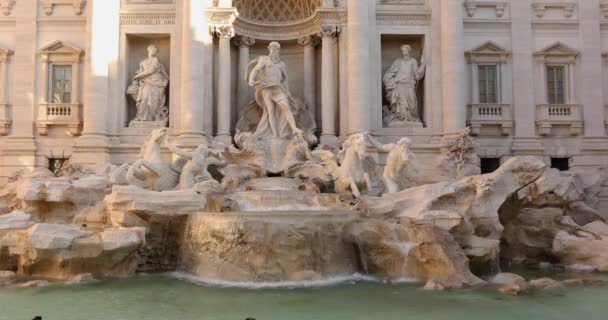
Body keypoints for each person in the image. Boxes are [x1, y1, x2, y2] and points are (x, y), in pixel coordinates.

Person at [247, 42, 302, 139]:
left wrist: (285, 87)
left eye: (275, 49)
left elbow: (285, 77)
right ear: (269, 50)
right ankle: (275, 133)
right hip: (266, 88)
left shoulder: (281, 64)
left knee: (286, 106)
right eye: (272, 49)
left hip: (277, 88)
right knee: (270, 111)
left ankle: (294, 129)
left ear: (278, 51)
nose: (273, 51)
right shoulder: (264, 60)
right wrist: (251, 79)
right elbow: (255, 70)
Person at [383, 45, 425, 123]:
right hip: (399, 84)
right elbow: (391, 71)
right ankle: (401, 118)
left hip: (409, 84)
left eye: (405, 50)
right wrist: (389, 78)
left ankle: (412, 117)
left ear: (409, 51)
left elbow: (417, 75)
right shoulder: (398, 61)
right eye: (402, 51)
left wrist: (422, 65)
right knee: (401, 101)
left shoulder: (413, 61)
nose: (404, 52)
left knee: (412, 101)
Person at [127, 44, 169, 122]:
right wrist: (137, 76)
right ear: (148, 50)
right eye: (153, 50)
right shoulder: (143, 62)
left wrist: (139, 75)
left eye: (155, 51)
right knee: (144, 99)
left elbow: (151, 70)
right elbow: (140, 71)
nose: (154, 52)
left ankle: (153, 118)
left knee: (155, 102)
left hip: (157, 82)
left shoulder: (155, 59)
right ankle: (141, 117)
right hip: (146, 82)